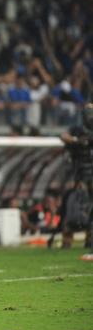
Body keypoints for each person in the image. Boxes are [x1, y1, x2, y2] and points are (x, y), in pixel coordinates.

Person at [60, 102, 93, 261]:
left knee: (89, 208)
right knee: (72, 206)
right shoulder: (77, 129)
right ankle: (67, 241)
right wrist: (76, 140)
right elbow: (63, 135)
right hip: (78, 174)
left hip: (89, 173)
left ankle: (89, 241)